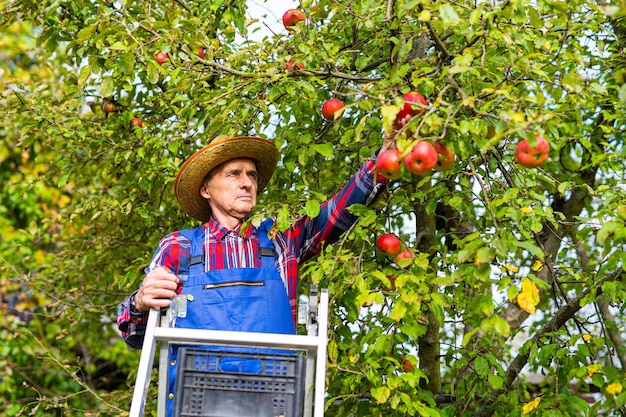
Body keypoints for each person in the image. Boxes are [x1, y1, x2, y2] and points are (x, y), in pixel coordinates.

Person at [117, 134, 394, 415]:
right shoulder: (180, 248)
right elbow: (136, 335)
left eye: (251, 175)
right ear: (205, 189)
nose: (247, 182)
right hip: (195, 405)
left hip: (274, 404)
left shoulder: (281, 239)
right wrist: (141, 302)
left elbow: (338, 212)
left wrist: (385, 157)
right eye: (234, 174)